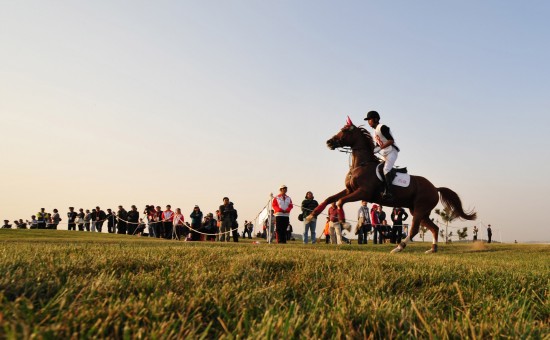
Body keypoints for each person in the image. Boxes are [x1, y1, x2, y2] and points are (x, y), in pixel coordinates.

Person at [365, 110, 400, 199]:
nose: (368, 121)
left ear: (376, 119)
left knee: (386, 169)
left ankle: (389, 192)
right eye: (368, 120)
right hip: (385, 153)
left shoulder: (382, 127)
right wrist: (373, 149)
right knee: (377, 167)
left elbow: (391, 140)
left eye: (370, 119)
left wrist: (380, 148)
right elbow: (378, 144)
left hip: (392, 151)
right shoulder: (374, 132)